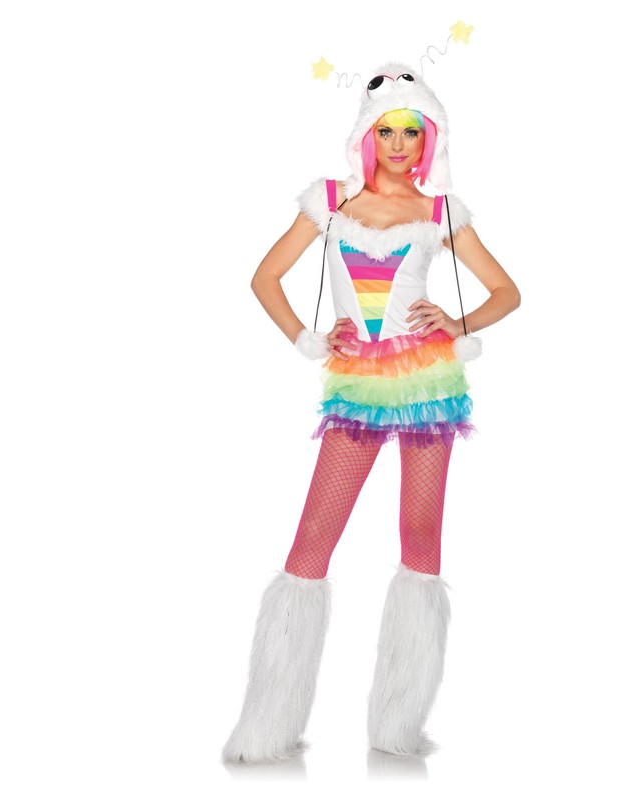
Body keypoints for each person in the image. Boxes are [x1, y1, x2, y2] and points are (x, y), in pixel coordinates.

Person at [222, 62, 521, 764]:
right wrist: (308, 339)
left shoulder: (440, 214)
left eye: (411, 132)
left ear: (428, 140)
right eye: (386, 130)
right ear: (367, 134)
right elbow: (265, 277)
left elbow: (507, 292)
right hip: (357, 386)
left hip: (428, 385)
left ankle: (397, 725)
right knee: (312, 539)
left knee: (420, 537)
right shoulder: (330, 202)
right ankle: (268, 724)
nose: (398, 143)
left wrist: (456, 323)